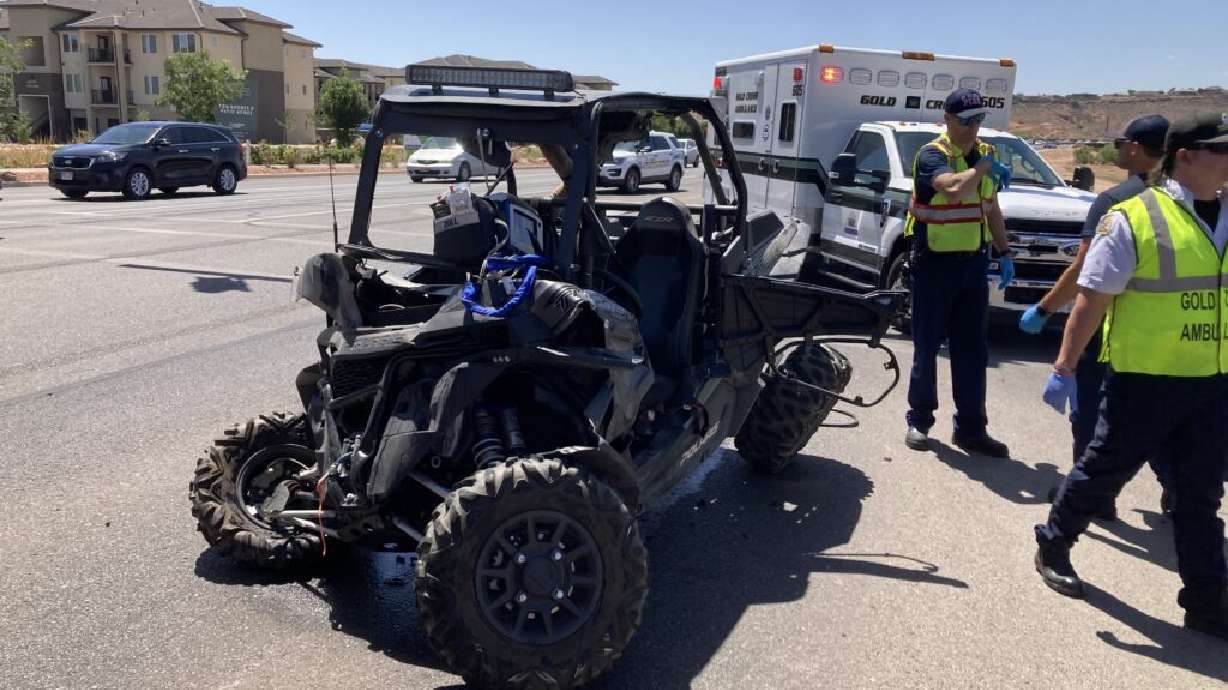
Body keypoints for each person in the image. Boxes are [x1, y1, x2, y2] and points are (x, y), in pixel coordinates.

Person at [1034, 112, 1228, 641]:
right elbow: (1091, 301)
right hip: (1144, 380)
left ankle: (1207, 603)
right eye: (1222, 149)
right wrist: (1066, 366)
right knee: (1102, 472)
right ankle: (1054, 541)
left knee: (1200, 496)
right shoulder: (1132, 217)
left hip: (1212, 383)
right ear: (1185, 156)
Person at [1019, 115, 1173, 518]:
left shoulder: (1116, 200)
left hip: (1110, 328)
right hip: (1167, 334)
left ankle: (1092, 496)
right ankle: (1176, 486)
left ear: (1136, 149)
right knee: (1162, 415)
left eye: (1121, 143)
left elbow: (1085, 271)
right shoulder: (1182, 200)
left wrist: (1045, 308)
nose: (1118, 150)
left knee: (1091, 413)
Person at [902, 88, 1015, 457]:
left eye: (979, 120)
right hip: (934, 262)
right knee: (927, 345)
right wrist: (982, 168)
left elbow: (990, 207)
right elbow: (950, 189)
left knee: (972, 351)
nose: (974, 128)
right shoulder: (932, 154)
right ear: (948, 119)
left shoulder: (986, 155)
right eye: (967, 121)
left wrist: (1005, 251)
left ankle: (971, 429)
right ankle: (919, 420)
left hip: (973, 265)